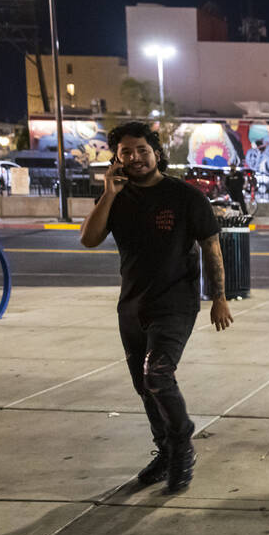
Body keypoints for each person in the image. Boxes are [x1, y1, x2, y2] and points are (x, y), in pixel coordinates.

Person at [80, 121, 234, 494]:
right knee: (143, 385)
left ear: (156, 153)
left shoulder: (185, 197)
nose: (135, 158)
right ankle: (164, 451)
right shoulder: (117, 198)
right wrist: (108, 193)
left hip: (175, 303)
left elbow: (212, 247)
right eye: (126, 153)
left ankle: (182, 446)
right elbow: (88, 239)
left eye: (142, 151)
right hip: (132, 305)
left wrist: (219, 298)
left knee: (157, 375)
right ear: (117, 160)